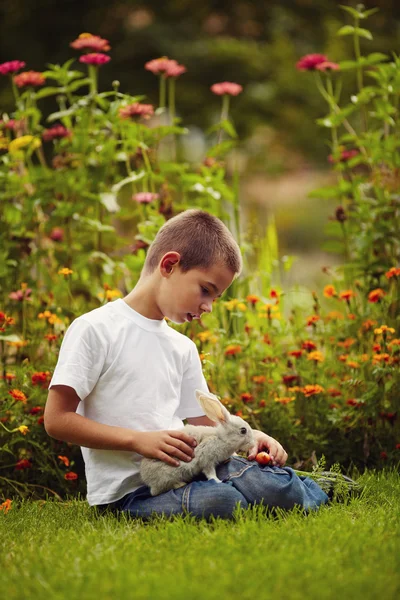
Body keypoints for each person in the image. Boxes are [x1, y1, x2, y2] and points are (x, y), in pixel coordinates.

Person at [44, 209, 329, 520]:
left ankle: (309, 487)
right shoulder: (96, 329)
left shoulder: (182, 347)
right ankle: (291, 489)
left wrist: (251, 436)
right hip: (130, 494)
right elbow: (57, 420)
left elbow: (208, 424)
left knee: (263, 486)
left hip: (189, 469)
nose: (207, 306)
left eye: (216, 298)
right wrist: (138, 440)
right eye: (205, 290)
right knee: (222, 502)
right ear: (169, 265)